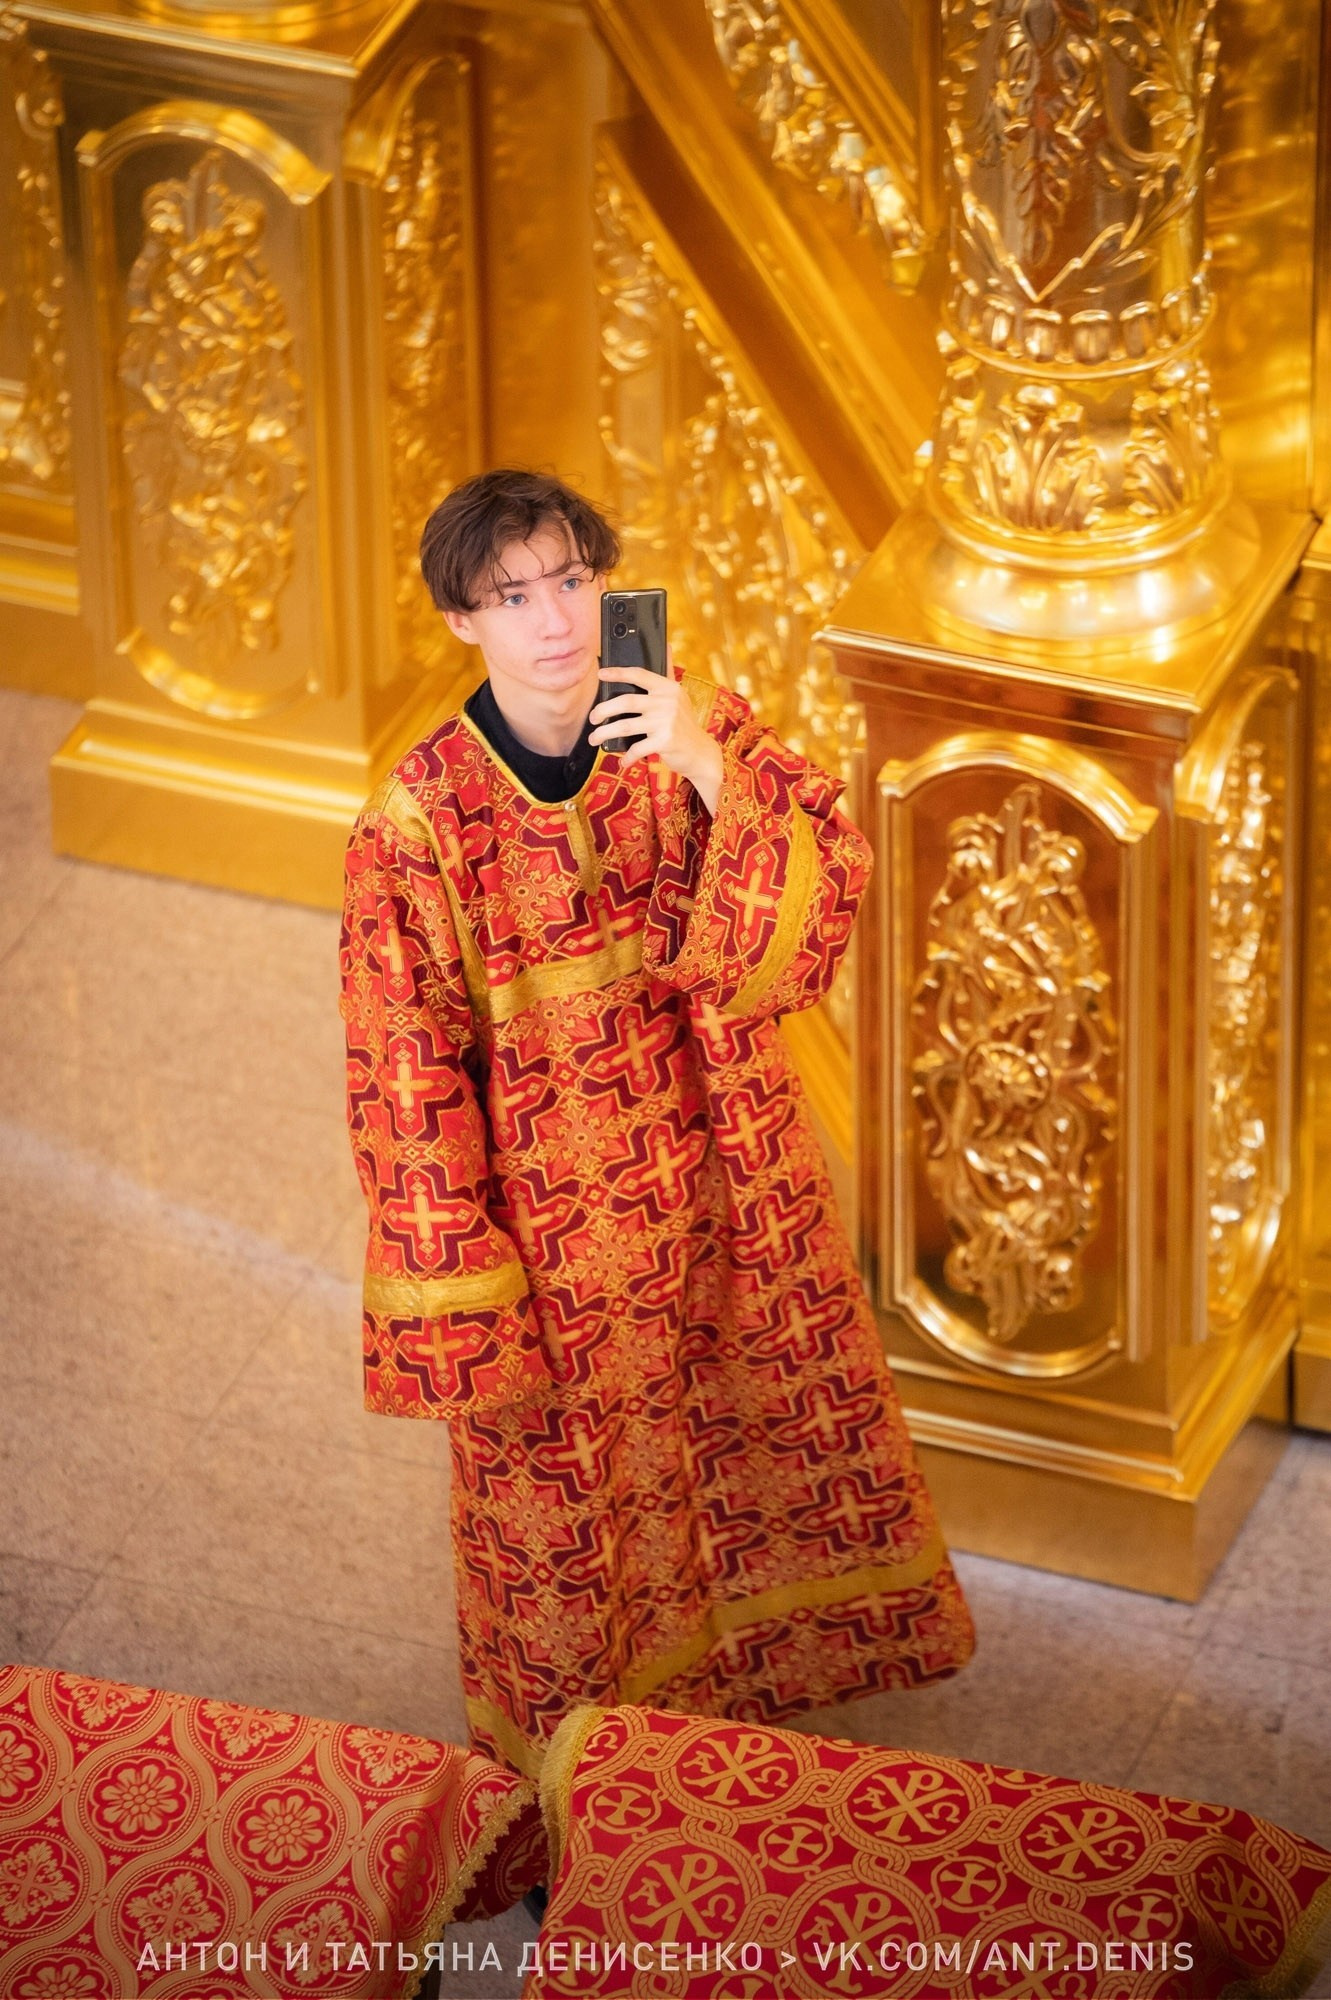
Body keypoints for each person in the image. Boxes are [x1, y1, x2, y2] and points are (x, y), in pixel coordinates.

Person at [338, 468, 973, 1777]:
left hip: (723, 1160)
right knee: (571, 1504)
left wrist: (705, 764)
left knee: (742, 1434)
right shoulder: (413, 827)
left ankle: (739, 1709)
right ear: (462, 620)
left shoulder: (683, 716)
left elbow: (829, 885)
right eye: (513, 596)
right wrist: (466, 1287)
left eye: (573, 580)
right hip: (551, 1229)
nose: (555, 620)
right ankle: (577, 1773)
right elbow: (403, 1076)